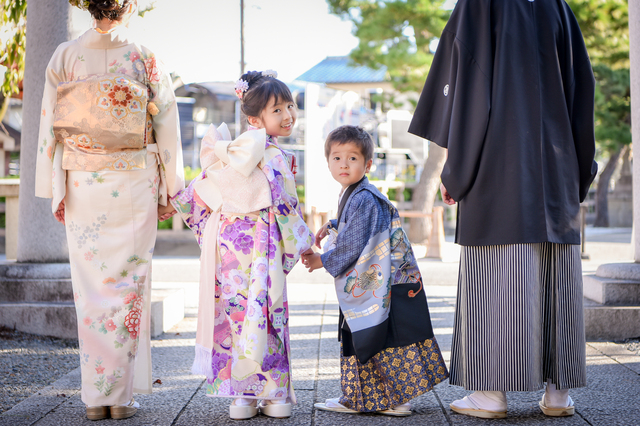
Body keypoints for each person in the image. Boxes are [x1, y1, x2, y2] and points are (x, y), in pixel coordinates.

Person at [408, 0, 598, 419]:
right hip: (558, 167)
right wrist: (580, 171)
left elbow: (469, 90)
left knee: (498, 282)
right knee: (557, 282)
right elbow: (582, 92)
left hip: (500, 168)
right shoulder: (559, 8)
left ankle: (491, 393)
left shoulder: (482, 5)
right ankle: (558, 394)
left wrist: (456, 172)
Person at [34, 0, 184, 420]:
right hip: (133, 179)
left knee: (91, 289)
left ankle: (94, 397)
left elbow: (50, 124)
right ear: (129, 5)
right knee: (127, 285)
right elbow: (166, 123)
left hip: (82, 182)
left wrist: (53, 185)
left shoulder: (65, 55)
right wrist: (171, 186)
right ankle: (119, 398)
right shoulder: (143, 56)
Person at [171, 70, 313, 420]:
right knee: (267, 312)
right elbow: (285, 206)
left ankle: (242, 397)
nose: (288, 115)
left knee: (236, 313)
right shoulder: (274, 155)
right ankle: (274, 394)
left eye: (290, 107)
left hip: (229, 244)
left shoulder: (229, 152)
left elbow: (196, 197)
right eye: (277, 110)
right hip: (262, 241)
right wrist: (303, 243)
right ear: (254, 118)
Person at [302, 125, 448, 416]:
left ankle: (393, 399)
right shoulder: (356, 194)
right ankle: (363, 396)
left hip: (380, 285)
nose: (344, 164)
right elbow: (355, 227)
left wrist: (323, 260)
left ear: (367, 164)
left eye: (352, 158)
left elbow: (355, 242)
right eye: (337, 157)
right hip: (381, 281)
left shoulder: (364, 197)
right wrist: (332, 224)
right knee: (370, 334)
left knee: (375, 335)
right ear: (328, 162)